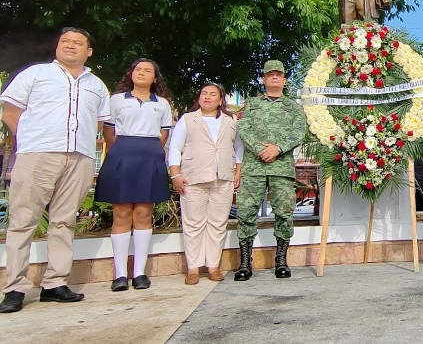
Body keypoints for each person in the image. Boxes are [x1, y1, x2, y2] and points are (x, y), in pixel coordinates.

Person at [0, 27, 110, 313]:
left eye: (78, 43)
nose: (70, 46)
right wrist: (33, 139)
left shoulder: (96, 84)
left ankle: (55, 283)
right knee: (23, 220)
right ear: (57, 46)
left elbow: (98, 122)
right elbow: (10, 112)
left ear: (89, 51)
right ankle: (14, 288)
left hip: (79, 158)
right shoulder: (35, 74)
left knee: (64, 221)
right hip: (38, 154)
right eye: (65, 41)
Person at [95, 58, 173, 292]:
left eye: (147, 70)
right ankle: (119, 274)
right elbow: (108, 131)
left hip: (150, 155)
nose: (141, 73)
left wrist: (149, 150)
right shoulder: (116, 100)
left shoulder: (162, 104)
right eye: (137, 69)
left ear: (155, 78)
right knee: (121, 213)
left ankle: (139, 272)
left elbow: (164, 133)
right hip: (122, 154)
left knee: (143, 212)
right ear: (130, 74)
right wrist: (121, 150)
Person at [234, 60, 307, 281]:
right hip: (254, 167)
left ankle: (281, 260)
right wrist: (259, 149)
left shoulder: (294, 107)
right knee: (246, 213)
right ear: (264, 80)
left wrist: (278, 148)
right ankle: (245, 263)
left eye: (278, 75)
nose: (274, 77)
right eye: (270, 75)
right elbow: (244, 128)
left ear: (284, 81)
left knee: (284, 213)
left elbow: (299, 132)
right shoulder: (251, 104)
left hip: (281, 167)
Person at [168, 82, 244, 285]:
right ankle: (193, 267)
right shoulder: (188, 119)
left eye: (213, 94)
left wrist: (238, 171)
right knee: (193, 223)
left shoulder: (230, 120)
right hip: (193, 177)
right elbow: (175, 147)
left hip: (223, 178)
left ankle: (212, 265)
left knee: (218, 223)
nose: (207, 97)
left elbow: (238, 147)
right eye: (204, 94)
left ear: (221, 100)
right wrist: (175, 174)